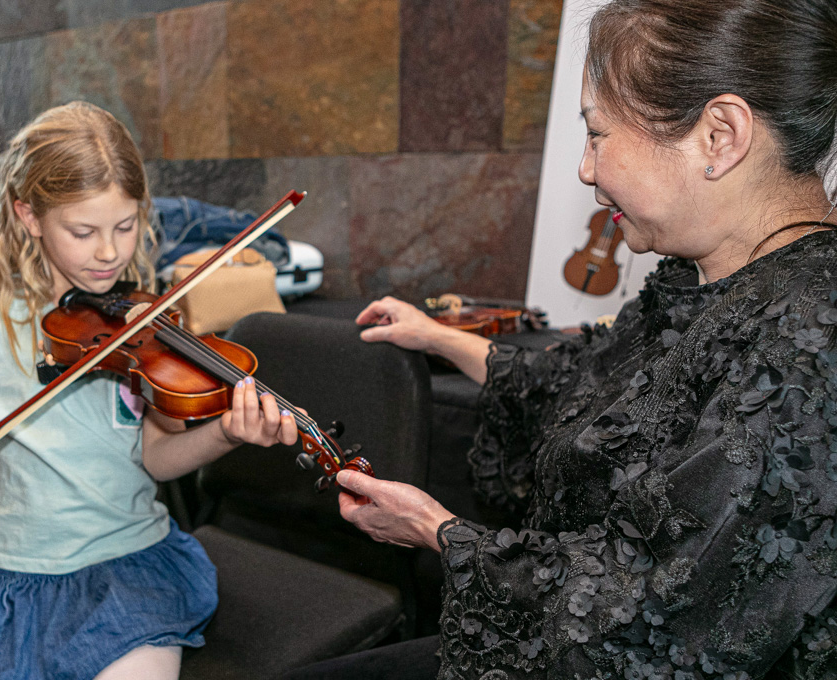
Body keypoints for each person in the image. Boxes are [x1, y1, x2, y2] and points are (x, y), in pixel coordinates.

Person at [284, 1, 837, 678]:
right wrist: (441, 338)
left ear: (720, 135)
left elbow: (662, 617)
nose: (585, 168)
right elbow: (587, 384)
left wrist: (439, 532)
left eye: (598, 133)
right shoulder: (696, 281)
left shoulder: (808, 345)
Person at [0, 101, 298, 680]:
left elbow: (159, 459)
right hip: (13, 581)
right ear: (29, 217)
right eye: (83, 231)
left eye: (126, 225)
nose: (110, 252)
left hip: (129, 572)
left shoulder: (148, 323)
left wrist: (224, 434)